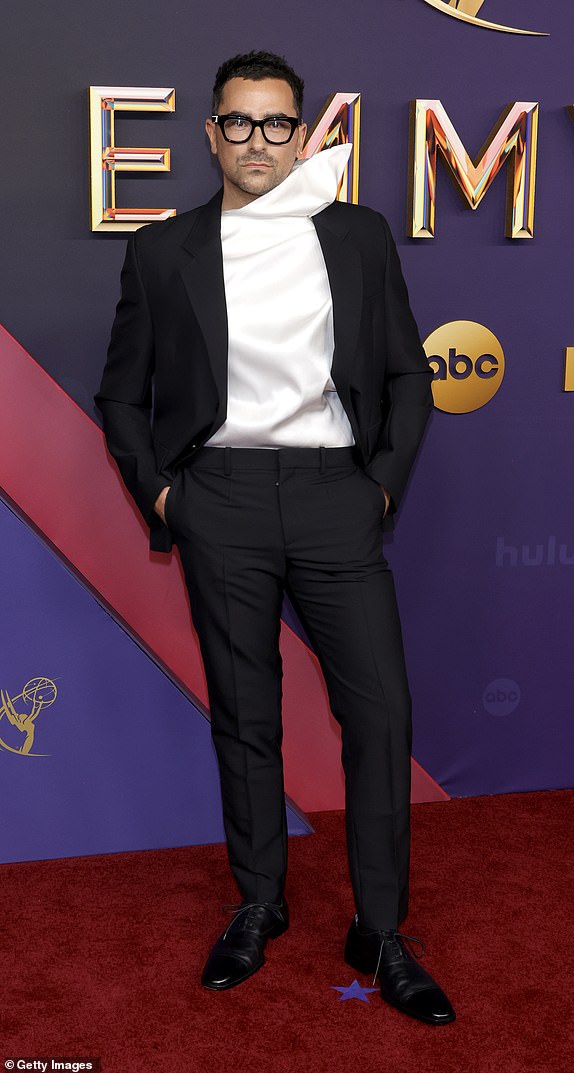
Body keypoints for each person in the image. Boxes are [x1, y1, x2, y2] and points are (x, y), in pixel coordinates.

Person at [95, 50, 455, 1025]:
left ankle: (379, 928)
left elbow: (411, 375)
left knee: (380, 713)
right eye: (239, 123)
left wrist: (379, 486)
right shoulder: (163, 251)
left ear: (302, 135)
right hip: (221, 497)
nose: (258, 140)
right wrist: (166, 497)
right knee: (245, 714)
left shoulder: (360, 235)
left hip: (337, 491)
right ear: (212, 134)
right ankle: (259, 901)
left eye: (277, 123)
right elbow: (121, 394)